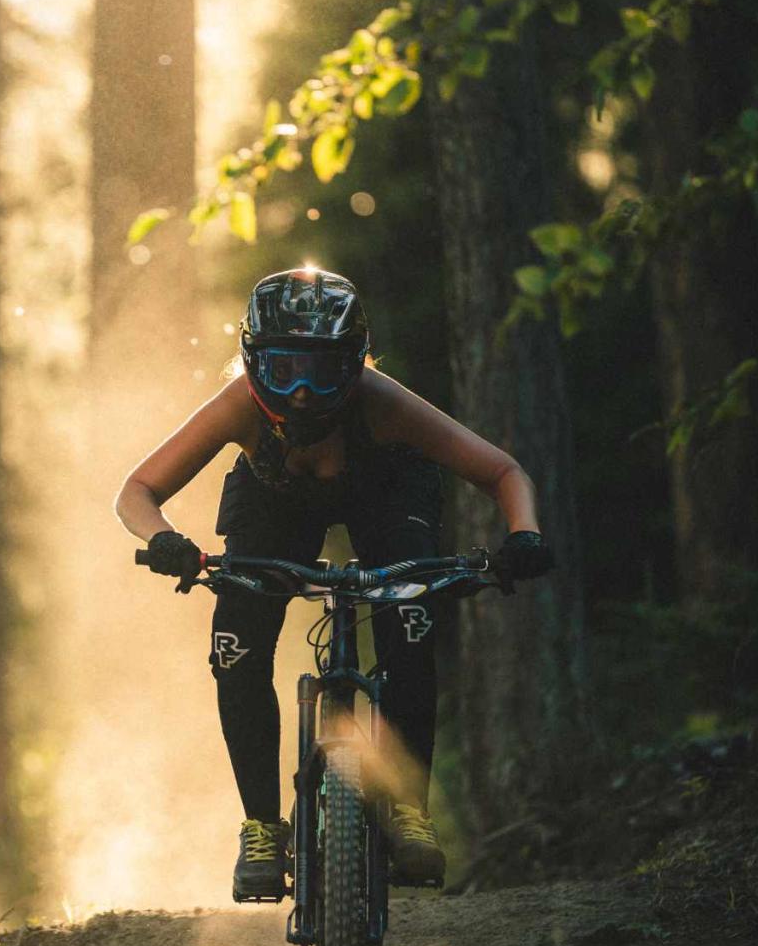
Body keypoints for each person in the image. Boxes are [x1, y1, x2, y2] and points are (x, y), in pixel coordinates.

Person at [114, 267, 555, 900]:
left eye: (320, 371)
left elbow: (504, 472)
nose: (299, 392)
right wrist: (164, 539)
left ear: (354, 365)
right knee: (235, 649)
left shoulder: (381, 403)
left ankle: (409, 813)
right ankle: (262, 828)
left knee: (410, 626)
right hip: (273, 504)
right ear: (251, 359)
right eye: (283, 367)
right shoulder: (240, 404)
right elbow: (137, 490)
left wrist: (523, 536)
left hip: (388, 490)